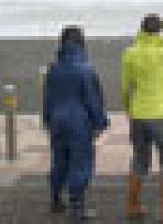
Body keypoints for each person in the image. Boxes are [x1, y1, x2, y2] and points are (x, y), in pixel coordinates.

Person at [122, 14, 163, 223]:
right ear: (158, 31)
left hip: (138, 114)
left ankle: (133, 206)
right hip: (158, 115)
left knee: (140, 159)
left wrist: (129, 110)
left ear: (141, 30)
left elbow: (125, 87)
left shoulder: (130, 53)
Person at [43, 26, 109, 222]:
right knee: (80, 162)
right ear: (81, 43)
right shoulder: (85, 69)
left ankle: (55, 199)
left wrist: (47, 119)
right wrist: (100, 123)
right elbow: (93, 99)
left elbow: (47, 98)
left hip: (57, 120)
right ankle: (76, 208)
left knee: (59, 160)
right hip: (78, 122)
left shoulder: (53, 68)